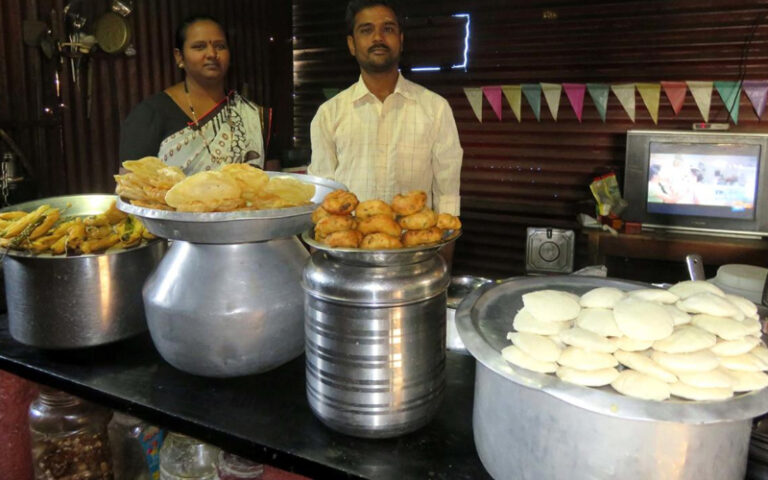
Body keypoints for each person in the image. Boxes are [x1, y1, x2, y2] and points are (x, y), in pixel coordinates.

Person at [307, 0, 463, 216]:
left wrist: (445, 248)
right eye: (366, 30)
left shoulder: (436, 109)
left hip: (417, 246)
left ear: (400, 40)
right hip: (349, 246)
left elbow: (447, 191)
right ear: (352, 44)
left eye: (388, 29)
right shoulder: (328, 114)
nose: (378, 38)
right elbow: (323, 194)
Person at [119, 15, 264, 174]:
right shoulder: (150, 114)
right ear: (179, 57)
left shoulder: (252, 116)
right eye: (199, 47)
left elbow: (272, 186)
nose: (212, 54)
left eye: (220, 46)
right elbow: (129, 189)